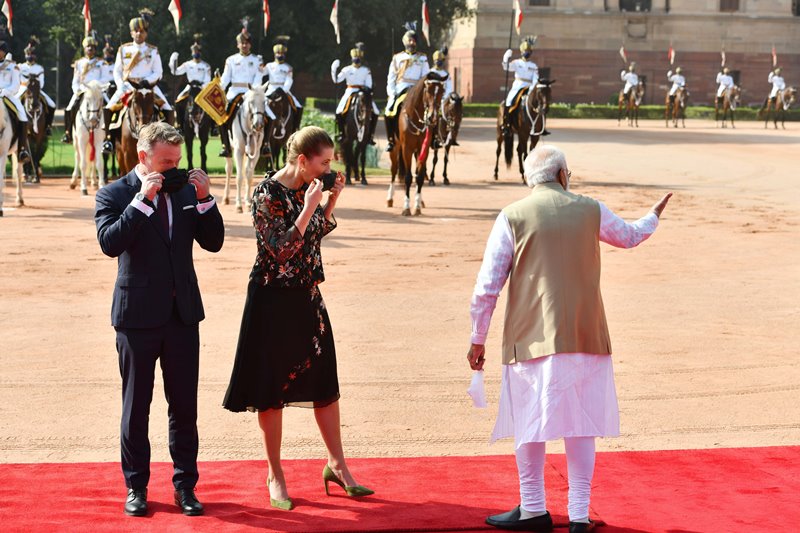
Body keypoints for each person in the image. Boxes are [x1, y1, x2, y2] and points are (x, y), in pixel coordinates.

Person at [467, 145, 671, 533]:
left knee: (529, 422)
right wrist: (653, 216)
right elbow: (630, 236)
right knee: (581, 424)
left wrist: (478, 337)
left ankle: (533, 508)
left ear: (531, 180)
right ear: (563, 175)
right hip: (586, 333)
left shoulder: (511, 215)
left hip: (530, 337)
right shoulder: (590, 208)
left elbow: (487, 286)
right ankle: (578, 515)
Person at [223, 126, 373, 511]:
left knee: (325, 380)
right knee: (271, 390)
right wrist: (309, 207)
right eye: (324, 162)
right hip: (272, 301)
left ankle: (337, 465)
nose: (329, 168)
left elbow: (312, 236)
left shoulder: (311, 187)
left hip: (307, 295)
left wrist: (330, 201)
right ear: (303, 161)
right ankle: (275, 474)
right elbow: (281, 250)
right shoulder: (265, 193)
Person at [94, 122, 225, 517]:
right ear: (143, 157)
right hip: (136, 318)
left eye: (177, 161)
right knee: (136, 407)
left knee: (184, 407)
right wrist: (141, 201)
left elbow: (214, 241)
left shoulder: (186, 189)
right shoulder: (113, 194)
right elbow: (109, 242)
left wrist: (204, 199)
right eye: (166, 162)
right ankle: (136, 487)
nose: (174, 169)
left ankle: (185, 487)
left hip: (182, 316)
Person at [105, 9, 174, 154]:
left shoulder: (153, 51)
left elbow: (158, 72)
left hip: (148, 87)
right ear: (131, 33)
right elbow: (117, 71)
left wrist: (147, 82)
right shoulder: (123, 50)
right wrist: (121, 85)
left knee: (167, 107)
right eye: (136, 31)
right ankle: (108, 140)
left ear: (146, 33)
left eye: (142, 31)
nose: (138, 33)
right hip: (128, 86)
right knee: (109, 107)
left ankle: (169, 140)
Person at [218, 23, 276, 158]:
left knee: (271, 116)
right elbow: (225, 78)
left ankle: (266, 144)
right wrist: (219, 88)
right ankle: (225, 145)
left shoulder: (257, 60)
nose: (244, 45)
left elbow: (259, 77)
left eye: (247, 43)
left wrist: (253, 91)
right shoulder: (231, 60)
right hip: (234, 91)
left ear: (250, 45)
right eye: (242, 43)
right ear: (238, 44)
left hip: (252, 92)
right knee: (222, 116)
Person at [384, 24, 429, 152]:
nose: (412, 42)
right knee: (388, 111)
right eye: (409, 40)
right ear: (405, 41)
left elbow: (425, 76)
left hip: (417, 88)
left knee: (431, 111)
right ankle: (391, 140)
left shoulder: (423, 58)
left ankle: (432, 138)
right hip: (401, 87)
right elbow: (391, 77)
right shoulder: (397, 57)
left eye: (414, 40)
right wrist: (392, 93)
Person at [330, 42, 379, 143]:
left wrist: (366, 89)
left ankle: (370, 136)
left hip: (362, 91)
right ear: (352, 58)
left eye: (358, 58)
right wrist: (333, 69)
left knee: (376, 111)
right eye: (355, 57)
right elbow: (336, 80)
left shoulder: (366, 70)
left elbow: (369, 84)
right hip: (350, 91)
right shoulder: (347, 69)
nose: (356, 59)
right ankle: (342, 133)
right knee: (339, 110)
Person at [62, 36, 105, 144]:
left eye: (92, 47)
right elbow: (75, 81)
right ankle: (68, 132)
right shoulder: (79, 63)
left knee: (109, 106)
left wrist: (97, 87)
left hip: (97, 91)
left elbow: (104, 78)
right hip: (83, 90)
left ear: (95, 49)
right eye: (88, 47)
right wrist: (78, 90)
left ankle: (109, 134)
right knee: (69, 107)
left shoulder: (101, 62)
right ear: (84, 48)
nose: (90, 49)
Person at [169, 35, 212, 132]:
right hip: (190, 88)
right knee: (178, 102)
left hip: (201, 88)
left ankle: (213, 127)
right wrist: (173, 59)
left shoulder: (206, 66)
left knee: (211, 104)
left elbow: (208, 79)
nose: (196, 53)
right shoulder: (187, 64)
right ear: (192, 52)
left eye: (197, 52)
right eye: (194, 52)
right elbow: (175, 71)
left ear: (200, 53)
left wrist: (202, 85)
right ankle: (179, 125)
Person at [0, 40, 32, 163]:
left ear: (4, 52)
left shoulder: (12, 66)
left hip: (8, 96)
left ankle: (22, 150)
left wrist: (4, 92)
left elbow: (15, 85)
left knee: (22, 115)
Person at [17, 36, 56, 135]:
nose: (30, 56)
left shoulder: (39, 68)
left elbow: (42, 83)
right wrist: (26, 84)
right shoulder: (21, 67)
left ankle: (48, 126)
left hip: (37, 90)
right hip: (23, 89)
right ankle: (15, 125)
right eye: (28, 54)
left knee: (52, 104)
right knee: (15, 102)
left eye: (32, 54)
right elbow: (19, 80)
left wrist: (35, 85)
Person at [502, 36, 539, 134]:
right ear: (521, 51)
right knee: (509, 101)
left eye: (529, 51)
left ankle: (540, 125)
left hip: (529, 87)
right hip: (518, 87)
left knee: (539, 103)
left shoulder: (533, 66)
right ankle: (507, 124)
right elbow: (506, 67)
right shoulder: (517, 63)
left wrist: (533, 86)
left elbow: (535, 78)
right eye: (525, 51)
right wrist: (506, 57)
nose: (527, 53)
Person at [430, 46, 458, 148]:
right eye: (437, 60)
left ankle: (452, 135)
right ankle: (433, 137)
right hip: (432, 100)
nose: (439, 62)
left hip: (443, 99)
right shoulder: (430, 73)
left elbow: (449, 88)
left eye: (440, 60)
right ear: (434, 61)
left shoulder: (446, 74)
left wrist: (445, 98)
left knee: (453, 112)